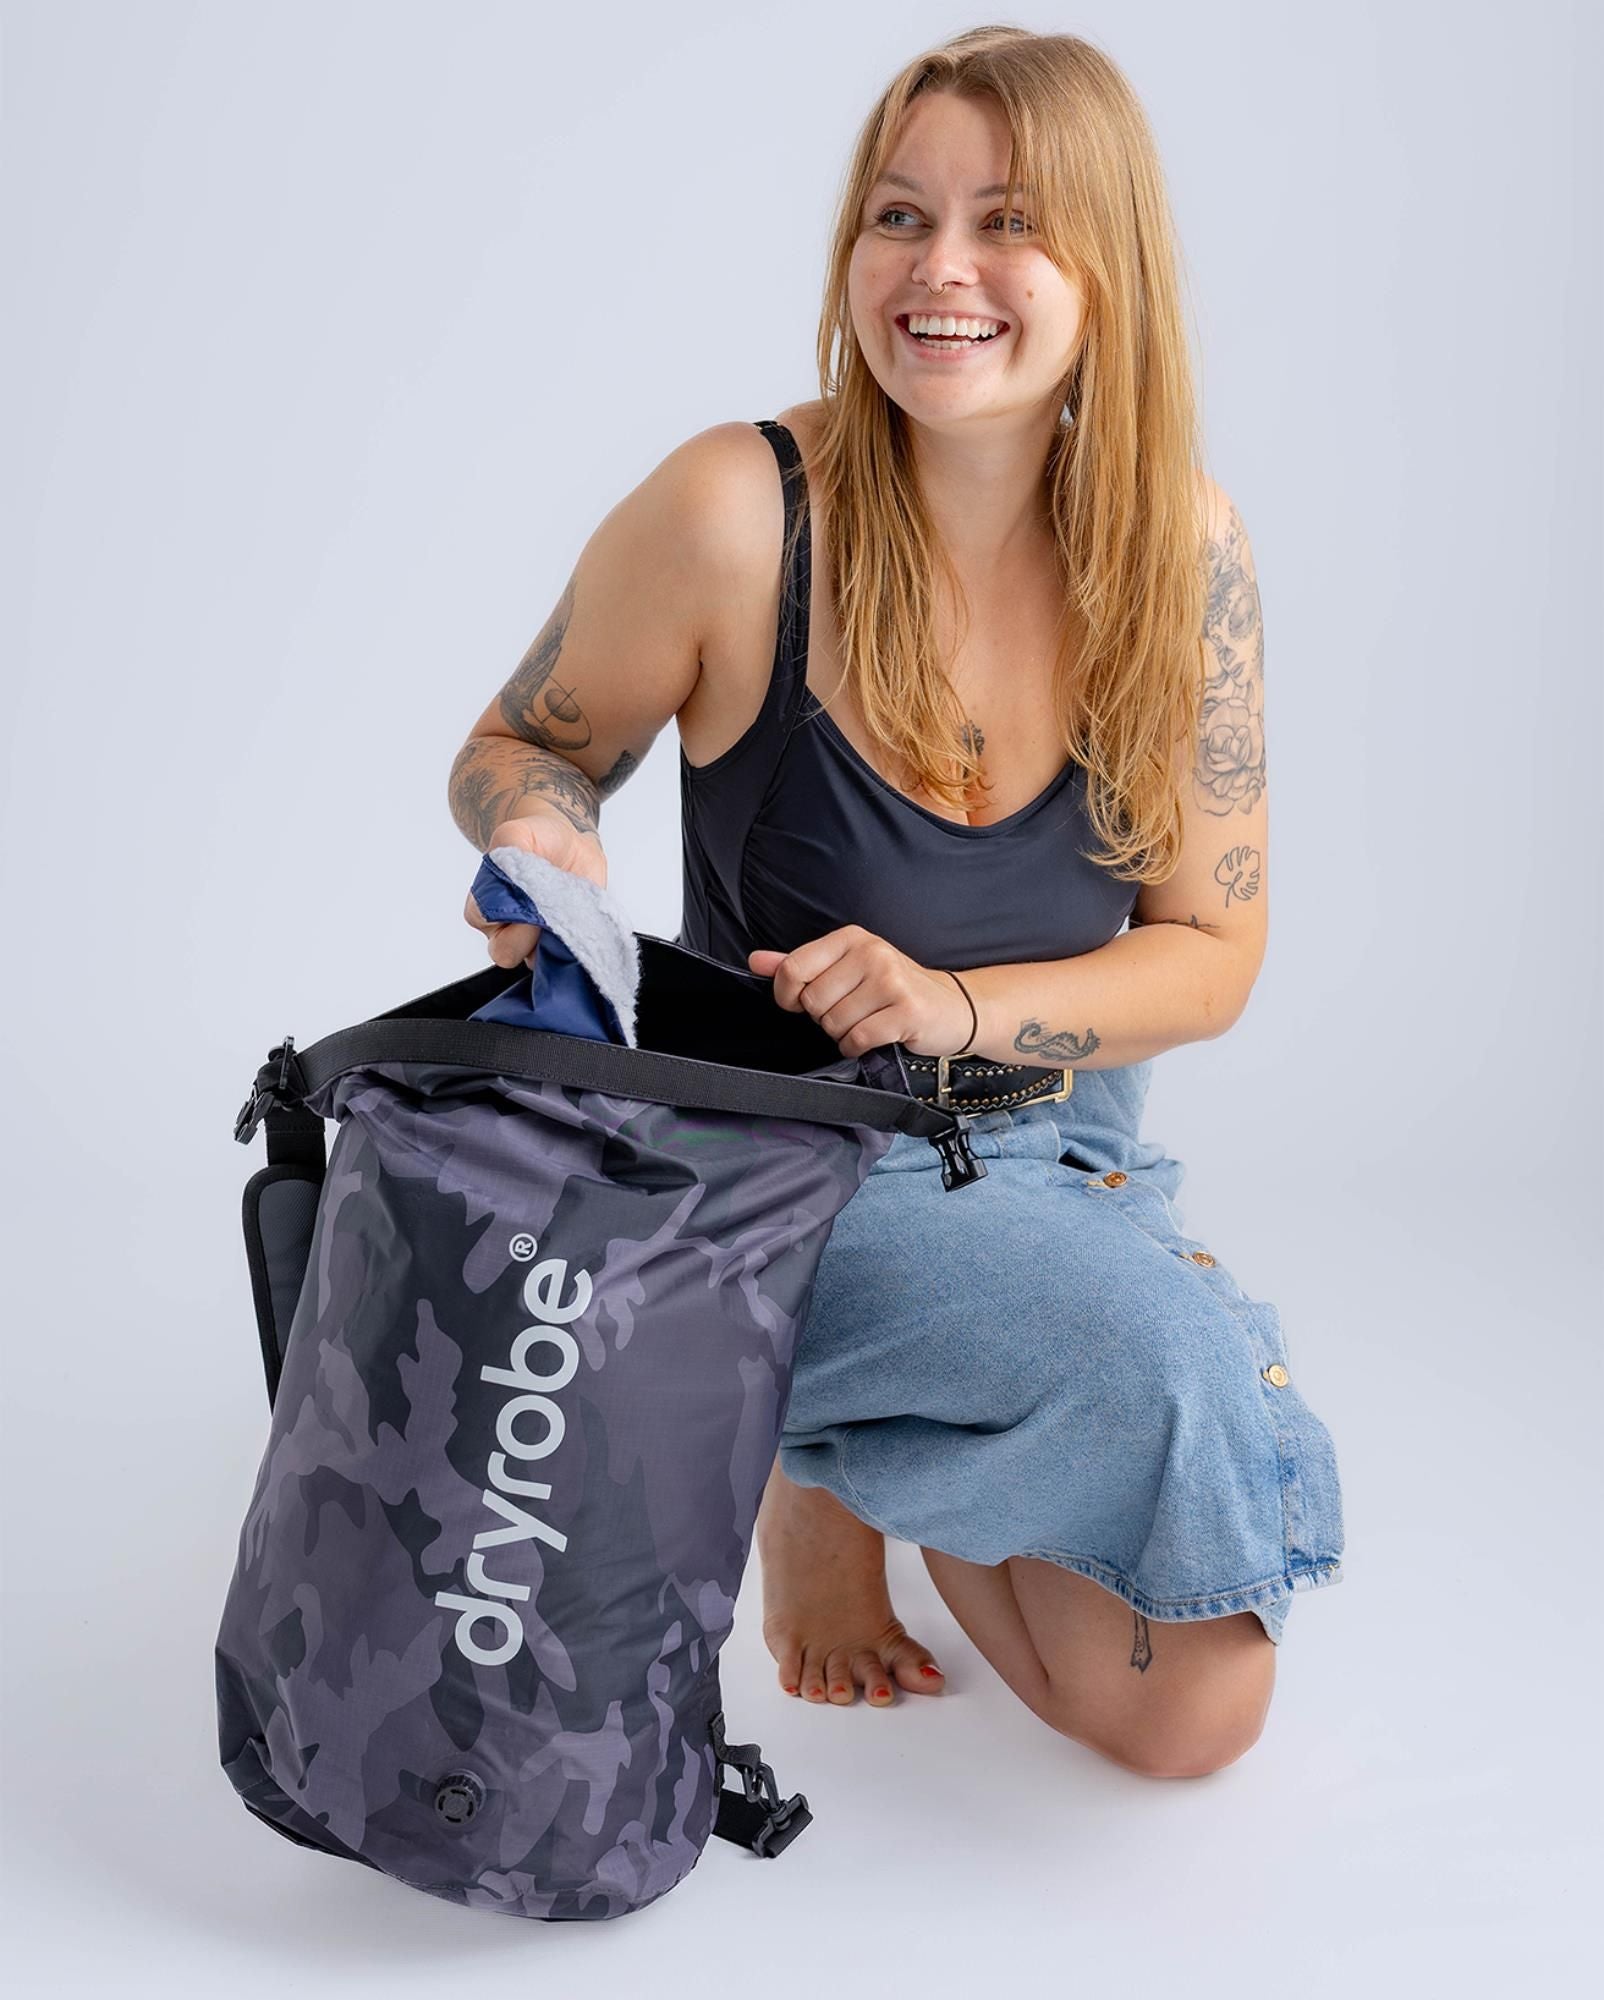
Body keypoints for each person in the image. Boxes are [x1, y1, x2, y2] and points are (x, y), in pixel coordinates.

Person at [449, 25, 1346, 1782]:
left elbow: (1212, 953)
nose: (940, 271)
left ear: (1106, 267)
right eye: (899, 215)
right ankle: (835, 1435)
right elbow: (523, 745)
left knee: (1188, 1713)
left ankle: (866, 1460)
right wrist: (549, 850)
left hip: (1057, 1156)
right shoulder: (737, 513)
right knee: (1164, 1361)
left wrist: (959, 1007)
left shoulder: (1185, 553)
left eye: (1008, 222)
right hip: (793, 1172)